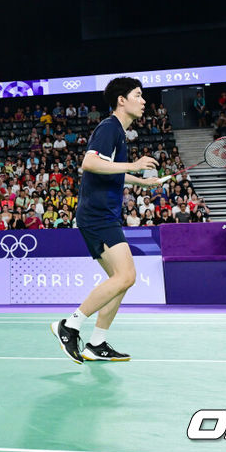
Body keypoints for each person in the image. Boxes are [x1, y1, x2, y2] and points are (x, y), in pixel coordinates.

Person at [52, 77, 158, 364]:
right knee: (126, 276)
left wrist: (139, 181)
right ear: (121, 100)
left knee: (120, 280)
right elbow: (89, 163)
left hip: (103, 214)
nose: (144, 100)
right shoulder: (109, 127)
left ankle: (96, 344)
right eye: (138, 95)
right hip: (97, 215)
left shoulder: (118, 133)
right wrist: (134, 164)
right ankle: (70, 325)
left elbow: (108, 170)